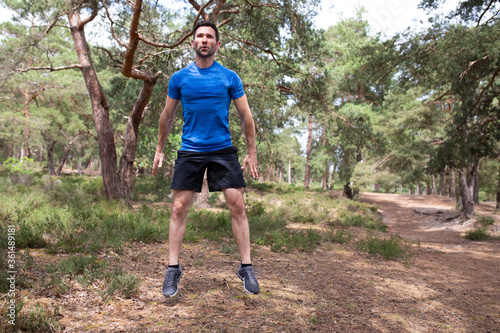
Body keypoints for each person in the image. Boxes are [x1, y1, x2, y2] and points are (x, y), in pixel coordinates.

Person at [152, 20, 260, 297]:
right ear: (192, 43)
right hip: (190, 149)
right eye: (199, 36)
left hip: (222, 148)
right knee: (179, 206)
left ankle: (246, 267)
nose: (204, 40)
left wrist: (252, 152)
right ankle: (173, 268)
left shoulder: (229, 77)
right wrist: (160, 149)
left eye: (209, 37)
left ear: (217, 44)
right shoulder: (179, 78)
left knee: (237, 203)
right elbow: (167, 115)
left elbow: (245, 115)